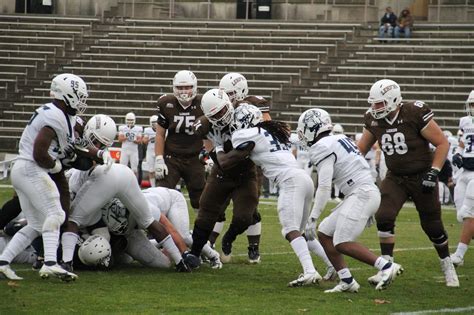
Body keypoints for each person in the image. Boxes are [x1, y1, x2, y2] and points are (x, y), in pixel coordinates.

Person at [60, 115, 196, 273]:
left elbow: (159, 225)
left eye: (102, 145)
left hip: (133, 219)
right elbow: (91, 225)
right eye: (95, 141)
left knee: (163, 256)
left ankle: (66, 262)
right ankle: (66, 260)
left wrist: (182, 257)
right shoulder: (80, 179)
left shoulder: (128, 194)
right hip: (120, 230)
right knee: (105, 247)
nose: (98, 146)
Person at [357, 79, 459, 287]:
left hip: (422, 174)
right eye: (373, 104)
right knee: (383, 216)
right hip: (396, 177)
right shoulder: (373, 120)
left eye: (379, 104)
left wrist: (434, 172)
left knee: (433, 226)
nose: (375, 108)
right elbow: (360, 150)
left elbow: (442, 143)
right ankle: (387, 267)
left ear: (394, 100)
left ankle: (447, 265)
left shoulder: (413, 113)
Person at [217, 103, 323, 286]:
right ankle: (332, 267)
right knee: (303, 232)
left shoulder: (246, 134)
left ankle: (310, 271)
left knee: (290, 229)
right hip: (304, 179)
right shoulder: (272, 131)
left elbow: (229, 159)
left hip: (290, 181)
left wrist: (218, 147)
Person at [297, 108, 403, 293]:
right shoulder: (340, 138)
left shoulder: (321, 146)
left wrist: (313, 216)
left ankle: (386, 267)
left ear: (312, 128)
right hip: (363, 191)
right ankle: (347, 280)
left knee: (342, 241)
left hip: (361, 192)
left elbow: (323, 186)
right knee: (325, 233)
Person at [0, 73, 90, 281]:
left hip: (22, 169)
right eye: (80, 96)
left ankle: (4, 261)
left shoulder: (56, 113)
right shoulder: (55, 116)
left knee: (35, 224)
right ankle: (50, 263)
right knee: (56, 213)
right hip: (31, 167)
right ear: (68, 94)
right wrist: (55, 164)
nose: (82, 101)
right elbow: (39, 152)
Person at [188, 89, 261, 267]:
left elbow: (229, 159)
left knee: (244, 217)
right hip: (221, 174)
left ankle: (229, 237)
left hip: (246, 173)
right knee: (206, 213)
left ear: (228, 105)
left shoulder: (245, 116)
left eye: (222, 111)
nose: (220, 117)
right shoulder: (203, 125)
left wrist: (218, 149)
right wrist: (210, 153)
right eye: (215, 114)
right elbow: (211, 151)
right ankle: (195, 253)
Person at [102, 187, 222, 269]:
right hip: (155, 206)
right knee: (160, 262)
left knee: (183, 236)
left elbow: (169, 229)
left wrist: (184, 255)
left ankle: (213, 256)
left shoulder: (145, 208)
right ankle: (165, 244)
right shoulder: (109, 212)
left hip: (172, 201)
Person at [154, 70, 206, 212]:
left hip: (195, 157)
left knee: (200, 200)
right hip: (172, 157)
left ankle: (201, 233)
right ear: (174, 88)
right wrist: (159, 158)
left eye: (187, 87)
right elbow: (159, 134)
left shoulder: (204, 103)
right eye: (180, 87)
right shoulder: (166, 103)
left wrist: (210, 156)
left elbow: (208, 134)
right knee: (161, 194)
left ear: (194, 86)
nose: (184, 91)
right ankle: (160, 232)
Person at [450, 90, 474, 267]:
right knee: (461, 215)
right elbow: (461, 144)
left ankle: (459, 255)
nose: (472, 108)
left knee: (468, 212)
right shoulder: (465, 121)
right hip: (464, 171)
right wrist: (458, 154)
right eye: (471, 104)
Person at [118, 112, 143, 180]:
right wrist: (127, 137)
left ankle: (134, 184)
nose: (130, 122)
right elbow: (120, 139)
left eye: (131, 120)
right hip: (125, 150)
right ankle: (122, 183)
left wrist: (134, 139)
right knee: (122, 168)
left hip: (133, 151)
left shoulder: (138, 129)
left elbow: (139, 141)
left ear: (134, 120)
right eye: (128, 120)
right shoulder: (122, 128)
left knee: (134, 169)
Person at [142, 115, 158, 187]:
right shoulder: (147, 130)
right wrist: (151, 139)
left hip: (158, 151)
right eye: (153, 122)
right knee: (151, 170)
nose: (154, 124)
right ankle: (153, 186)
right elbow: (144, 141)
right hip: (150, 151)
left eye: (156, 122)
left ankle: (160, 186)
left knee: (159, 170)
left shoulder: (161, 129)